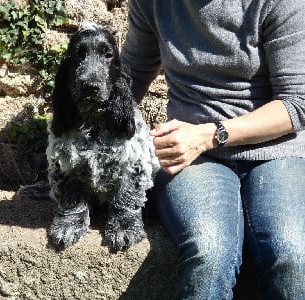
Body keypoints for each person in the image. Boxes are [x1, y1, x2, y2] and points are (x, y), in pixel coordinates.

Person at [120, 0, 305, 299]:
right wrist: (76, 148)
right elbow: (130, 77)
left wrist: (210, 134)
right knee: (209, 251)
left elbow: (297, 104)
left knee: (292, 255)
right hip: (192, 156)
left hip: (277, 151)